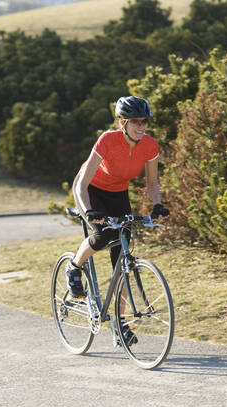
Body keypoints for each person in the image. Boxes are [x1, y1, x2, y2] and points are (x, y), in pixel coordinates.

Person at [67, 96, 169, 342]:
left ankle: (119, 323)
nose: (142, 127)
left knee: (122, 258)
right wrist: (90, 211)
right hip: (91, 190)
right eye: (136, 122)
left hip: (118, 194)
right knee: (103, 235)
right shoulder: (107, 140)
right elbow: (81, 184)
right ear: (122, 122)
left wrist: (157, 204)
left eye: (144, 121)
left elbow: (152, 183)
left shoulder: (150, 146)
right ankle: (74, 266)